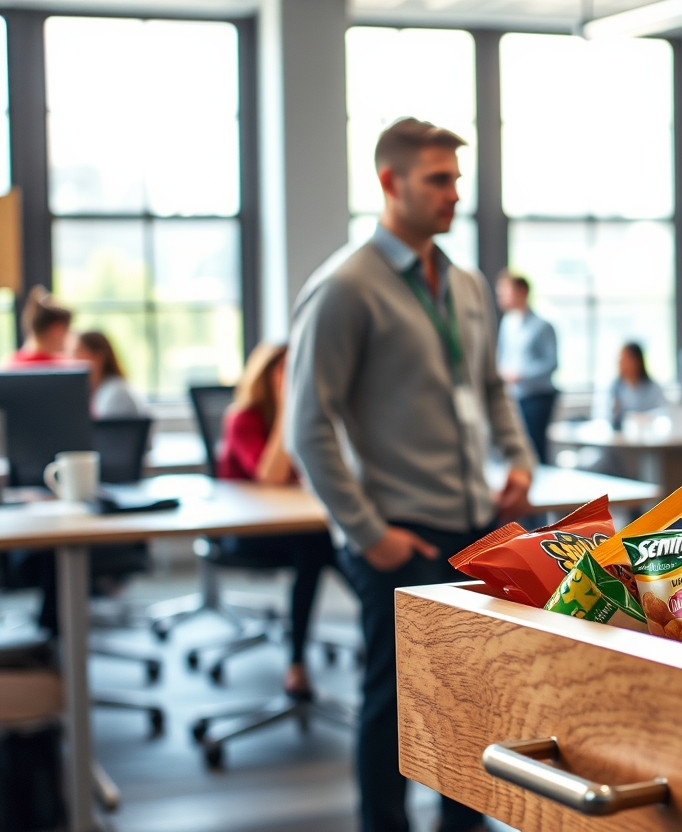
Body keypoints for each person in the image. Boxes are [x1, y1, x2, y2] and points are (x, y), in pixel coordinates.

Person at [285, 117, 536, 832]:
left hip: (473, 525)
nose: (455, 193)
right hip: (400, 534)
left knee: (471, 697)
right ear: (389, 183)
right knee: (394, 703)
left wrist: (518, 459)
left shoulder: (465, 284)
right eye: (438, 179)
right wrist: (369, 534)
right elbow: (307, 426)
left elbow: (490, 388)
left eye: (457, 179)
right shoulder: (346, 288)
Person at [216, 342, 337, 698]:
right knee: (317, 548)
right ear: (266, 375)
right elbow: (270, 475)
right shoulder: (243, 419)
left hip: (299, 524)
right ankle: (296, 662)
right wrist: (288, 407)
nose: (295, 377)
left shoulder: (312, 418)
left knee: (340, 548)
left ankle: (389, 632)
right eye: (285, 369)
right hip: (247, 532)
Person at [495, 272, 558, 464]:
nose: (501, 297)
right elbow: (502, 356)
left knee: (535, 448)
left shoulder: (543, 326)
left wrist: (521, 375)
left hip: (537, 397)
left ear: (522, 292)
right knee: (516, 449)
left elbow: (551, 364)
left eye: (506, 292)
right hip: (513, 396)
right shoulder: (508, 323)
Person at [596, 342, 668, 430]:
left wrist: (642, 417)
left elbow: (664, 412)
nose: (620, 362)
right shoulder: (613, 387)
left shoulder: (653, 388)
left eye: (625, 358)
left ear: (637, 361)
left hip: (648, 434)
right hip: (619, 436)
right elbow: (602, 416)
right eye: (620, 358)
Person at [73, 331, 144, 418]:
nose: (72, 359)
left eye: (78, 352)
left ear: (98, 356)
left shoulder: (116, 393)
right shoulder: (96, 392)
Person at [8, 287, 73, 367]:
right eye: (67, 330)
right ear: (57, 329)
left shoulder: (11, 364)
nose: (70, 336)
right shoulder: (66, 367)